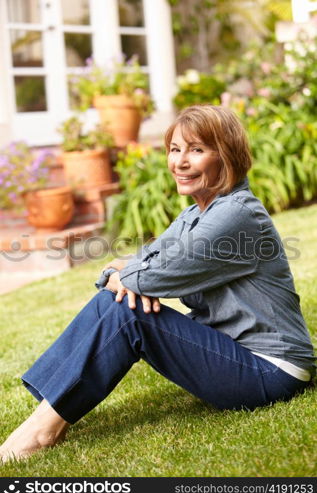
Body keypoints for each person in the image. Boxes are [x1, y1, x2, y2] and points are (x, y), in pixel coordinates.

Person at [0, 105, 315, 463]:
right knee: (118, 301)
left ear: (227, 155)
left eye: (196, 150)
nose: (179, 162)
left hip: (271, 370)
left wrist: (129, 277)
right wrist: (121, 275)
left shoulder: (235, 215)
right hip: (237, 352)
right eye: (175, 149)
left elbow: (147, 274)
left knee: (126, 310)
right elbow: (140, 262)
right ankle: (48, 412)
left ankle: (42, 430)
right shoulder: (196, 213)